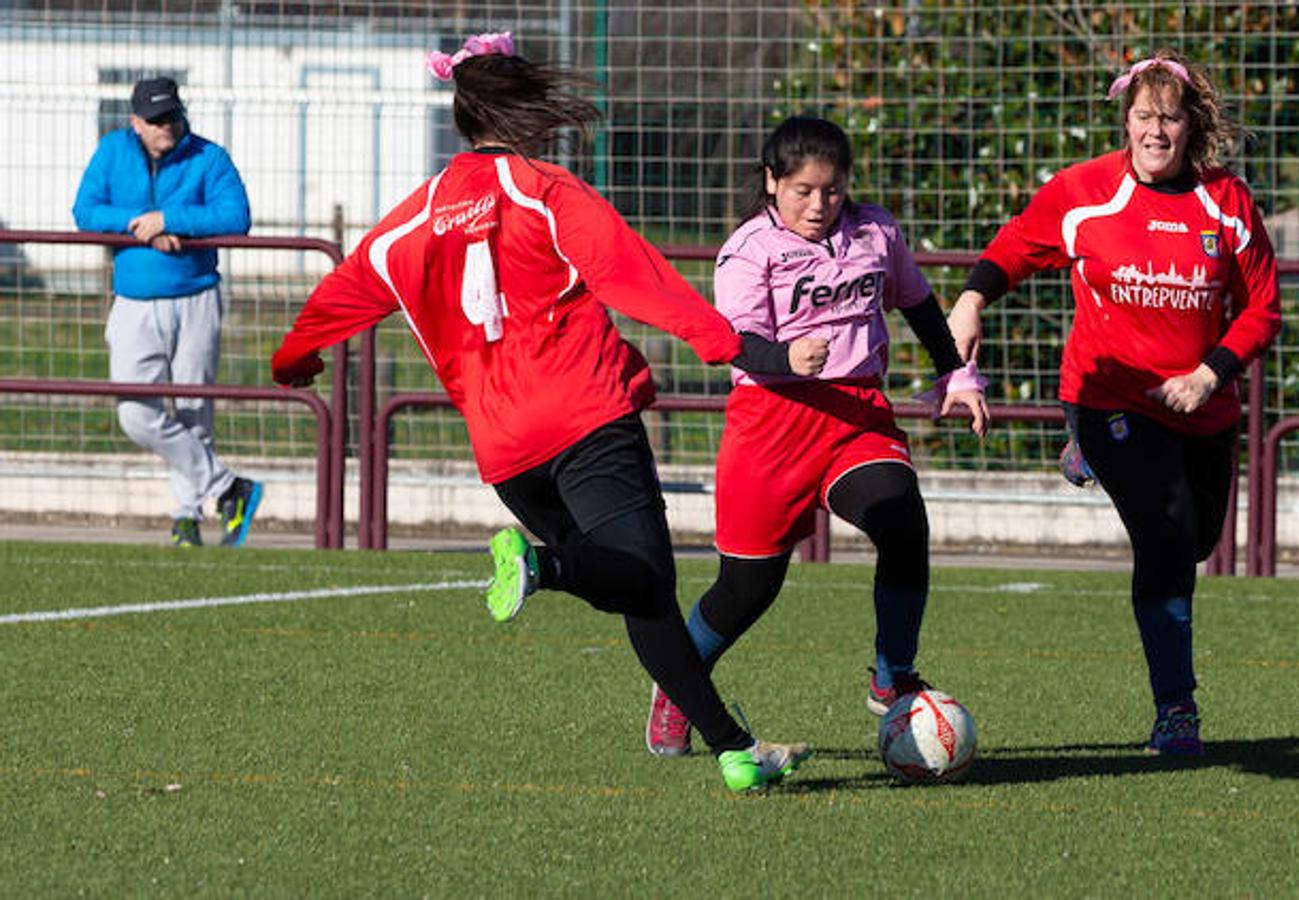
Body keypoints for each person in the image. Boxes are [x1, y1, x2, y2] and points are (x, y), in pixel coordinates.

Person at [268, 33, 808, 790]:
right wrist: (739, 347)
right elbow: (635, 277)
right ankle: (539, 564)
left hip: (506, 451)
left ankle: (734, 750)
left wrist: (294, 360)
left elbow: (337, 297)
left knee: (637, 588)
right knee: (644, 580)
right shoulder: (547, 191)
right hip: (584, 417)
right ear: (522, 110)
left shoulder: (406, 223)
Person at [946, 53, 1281, 755]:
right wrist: (972, 298)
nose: (1154, 131)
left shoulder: (1227, 203)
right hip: (1108, 396)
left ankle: (1090, 455)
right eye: (1142, 116)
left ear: (1193, 125)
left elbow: (1262, 311)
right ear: (1125, 121)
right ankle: (1176, 708)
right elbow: (1015, 246)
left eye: (1168, 116)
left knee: (1195, 543)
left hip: (1200, 409)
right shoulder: (1083, 191)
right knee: (1163, 537)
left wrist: (1209, 374)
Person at [644, 116, 990, 756]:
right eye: (802, 190)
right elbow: (734, 345)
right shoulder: (749, 250)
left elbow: (915, 303)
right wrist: (785, 358)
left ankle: (892, 677)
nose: (819, 204)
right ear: (772, 182)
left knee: (901, 519)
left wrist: (957, 375)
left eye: (831, 191)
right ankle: (677, 687)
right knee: (746, 591)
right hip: (770, 426)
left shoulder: (875, 231)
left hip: (856, 414)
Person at [73, 76, 264, 548]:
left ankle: (185, 519)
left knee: (196, 409)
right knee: (136, 413)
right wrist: (141, 225)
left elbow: (235, 216)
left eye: (173, 116)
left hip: (196, 295)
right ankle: (228, 487)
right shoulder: (112, 153)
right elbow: (86, 211)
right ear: (135, 123)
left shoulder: (208, 156)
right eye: (155, 120)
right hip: (134, 301)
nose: (167, 126)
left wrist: (173, 219)